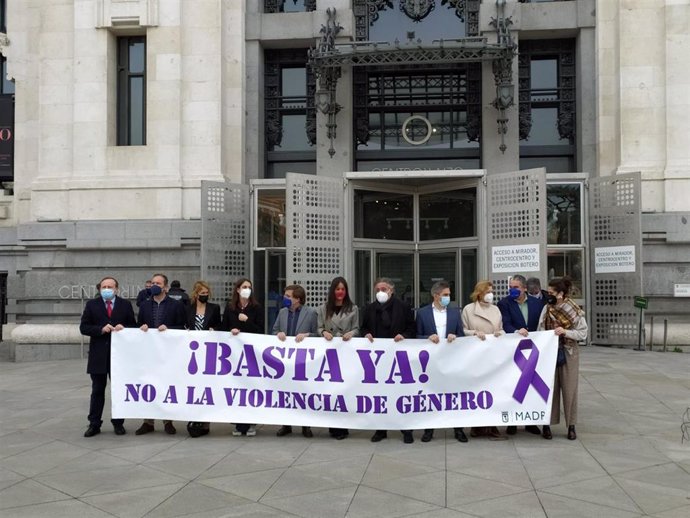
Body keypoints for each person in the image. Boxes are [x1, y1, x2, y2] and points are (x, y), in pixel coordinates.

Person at [361, 277, 416, 444]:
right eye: (377, 289)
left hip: (398, 357)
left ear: (391, 290)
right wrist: (366, 334)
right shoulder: (369, 308)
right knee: (380, 394)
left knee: (401, 393)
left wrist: (404, 335)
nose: (380, 292)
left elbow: (412, 327)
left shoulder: (403, 307)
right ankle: (381, 429)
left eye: (383, 289)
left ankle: (406, 429)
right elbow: (363, 326)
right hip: (377, 358)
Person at [80, 276, 137, 437]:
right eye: (104, 286)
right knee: (97, 390)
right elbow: (84, 327)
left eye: (110, 287)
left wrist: (123, 327)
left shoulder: (125, 305)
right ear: (99, 289)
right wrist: (100, 329)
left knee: (118, 390)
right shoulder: (92, 305)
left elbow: (133, 325)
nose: (106, 289)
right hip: (98, 355)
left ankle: (118, 422)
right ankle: (94, 423)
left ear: (116, 289)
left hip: (119, 357)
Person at [135, 273, 187, 435]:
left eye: (158, 283)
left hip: (168, 353)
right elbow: (138, 326)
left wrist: (169, 329)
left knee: (166, 386)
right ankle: (148, 421)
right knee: (148, 385)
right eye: (152, 282)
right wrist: (142, 327)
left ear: (165, 287)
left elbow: (182, 326)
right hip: (149, 352)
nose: (154, 285)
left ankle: (167, 421)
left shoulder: (176, 305)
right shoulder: (144, 305)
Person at [416, 280, 467, 443]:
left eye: (449, 295)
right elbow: (416, 336)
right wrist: (427, 338)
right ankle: (429, 429)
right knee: (431, 394)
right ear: (436, 295)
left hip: (451, 360)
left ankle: (458, 429)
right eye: (445, 295)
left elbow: (462, 336)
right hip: (431, 361)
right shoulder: (423, 313)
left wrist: (455, 336)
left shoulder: (454, 313)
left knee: (453, 394)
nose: (448, 297)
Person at [538, 277, 588, 441]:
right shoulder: (547, 308)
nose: (548, 295)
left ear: (560, 294)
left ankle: (571, 426)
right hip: (549, 352)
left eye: (551, 292)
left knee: (569, 389)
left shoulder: (573, 309)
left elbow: (583, 333)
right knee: (549, 389)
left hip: (568, 352)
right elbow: (540, 328)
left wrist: (565, 332)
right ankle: (547, 424)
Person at [497, 274, 545, 436]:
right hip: (514, 349)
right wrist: (517, 331)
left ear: (524, 288)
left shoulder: (537, 303)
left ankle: (530, 422)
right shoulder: (504, 303)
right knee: (514, 385)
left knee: (531, 387)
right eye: (510, 287)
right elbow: (506, 323)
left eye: (516, 287)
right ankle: (512, 422)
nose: (512, 290)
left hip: (534, 349)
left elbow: (541, 324)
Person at [461, 280, 507, 440]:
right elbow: (463, 330)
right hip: (475, 355)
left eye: (491, 291)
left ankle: (492, 424)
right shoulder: (469, 309)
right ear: (479, 293)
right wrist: (474, 333)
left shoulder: (496, 309)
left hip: (493, 354)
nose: (490, 294)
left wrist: (500, 334)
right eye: (487, 291)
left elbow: (501, 328)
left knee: (493, 388)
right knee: (477, 389)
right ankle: (477, 425)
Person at [272, 284, 318, 438]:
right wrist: (278, 334)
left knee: (303, 392)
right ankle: (286, 424)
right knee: (286, 391)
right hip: (285, 359)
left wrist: (307, 335)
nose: (285, 298)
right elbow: (274, 330)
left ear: (297, 299)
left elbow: (317, 334)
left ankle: (306, 425)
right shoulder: (282, 312)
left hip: (303, 360)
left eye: (288, 296)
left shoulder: (310, 313)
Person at [317, 276, 359, 440]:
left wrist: (351, 333)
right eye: (337, 289)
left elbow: (357, 328)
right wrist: (324, 332)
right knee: (331, 390)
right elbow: (318, 327)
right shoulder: (323, 308)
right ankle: (333, 427)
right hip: (329, 352)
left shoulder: (353, 308)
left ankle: (344, 425)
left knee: (345, 390)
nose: (340, 292)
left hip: (346, 351)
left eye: (343, 289)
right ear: (332, 290)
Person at [222, 277, 265, 437]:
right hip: (233, 354)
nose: (247, 289)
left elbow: (260, 331)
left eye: (249, 287)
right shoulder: (230, 308)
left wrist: (247, 321)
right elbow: (224, 327)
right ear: (238, 290)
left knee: (250, 386)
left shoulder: (256, 308)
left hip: (250, 353)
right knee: (237, 386)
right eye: (244, 286)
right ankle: (239, 423)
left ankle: (251, 422)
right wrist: (231, 330)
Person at [184, 280, 222, 438]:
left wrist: (215, 329)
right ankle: (194, 417)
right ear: (196, 294)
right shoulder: (187, 309)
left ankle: (206, 422)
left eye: (207, 294)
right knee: (192, 386)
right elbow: (182, 325)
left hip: (208, 351)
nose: (205, 296)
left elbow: (221, 326)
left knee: (207, 386)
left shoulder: (214, 308)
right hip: (191, 351)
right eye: (202, 294)